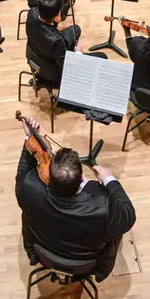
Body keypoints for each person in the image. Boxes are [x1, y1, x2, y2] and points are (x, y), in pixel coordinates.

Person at [15, 113, 136, 281]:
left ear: (50, 174)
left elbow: (23, 170)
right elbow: (128, 214)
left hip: (44, 253)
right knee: (115, 231)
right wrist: (110, 180)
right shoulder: (104, 208)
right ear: (81, 179)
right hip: (85, 266)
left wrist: (30, 137)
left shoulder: (29, 188)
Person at [26, 0, 106, 90]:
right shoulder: (57, 41)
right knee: (103, 56)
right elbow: (66, 67)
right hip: (53, 74)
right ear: (58, 15)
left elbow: (47, 12)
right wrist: (78, 53)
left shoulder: (31, 13)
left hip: (37, 55)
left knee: (75, 29)